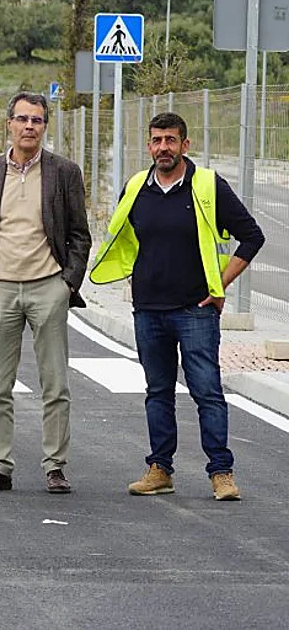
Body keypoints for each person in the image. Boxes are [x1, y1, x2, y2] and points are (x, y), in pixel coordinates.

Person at [90, 112, 264, 501]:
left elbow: (252, 237)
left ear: (185, 145)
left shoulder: (207, 186)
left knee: (207, 391)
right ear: (149, 145)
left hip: (195, 310)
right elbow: (123, 239)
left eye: (171, 140)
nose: (163, 147)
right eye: (156, 140)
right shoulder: (136, 187)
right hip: (148, 310)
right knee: (158, 392)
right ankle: (159, 470)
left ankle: (221, 472)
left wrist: (221, 285)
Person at [0, 91, 91, 494]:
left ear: (45, 126)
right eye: (22, 119)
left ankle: (55, 467)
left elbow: (79, 234)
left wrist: (67, 283)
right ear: (9, 124)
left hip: (49, 286)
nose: (29, 126)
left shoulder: (64, 172)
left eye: (37, 120)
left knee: (55, 385)